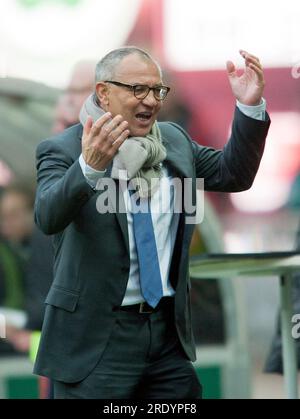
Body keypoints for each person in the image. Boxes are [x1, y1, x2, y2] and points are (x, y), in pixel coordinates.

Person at [33, 46, 270, 399]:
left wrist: (249, 106)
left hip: (165, 336)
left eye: (157, 90)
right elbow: (48, 216)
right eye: (137, 89)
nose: (151, 101)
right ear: (104, 93)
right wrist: (90, 168)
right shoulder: (65, 149)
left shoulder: (173, 140)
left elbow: (233, 174)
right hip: (96, 342)